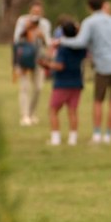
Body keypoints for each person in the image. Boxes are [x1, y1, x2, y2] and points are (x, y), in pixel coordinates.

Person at [54, 0, 111, 144]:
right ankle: (108, 136)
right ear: (103, 4)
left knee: (98, 100)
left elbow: (80, 42)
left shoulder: (90, 22)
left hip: (103, 65)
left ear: (89, 6)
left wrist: (61, 41)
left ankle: (97, 135)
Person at [41, 18, 86, 146]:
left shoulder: (63, 48)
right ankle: (73, 139)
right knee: (72, 111)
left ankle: (55, 138)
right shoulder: (81, 48)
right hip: (77, 82)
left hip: (62, 83)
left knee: (53, 110)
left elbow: (60, 66)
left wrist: (47, 64)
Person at [12, 0, 52, 126]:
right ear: (30, 11)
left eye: (38, 12)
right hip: (24, 57)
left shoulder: (45, 24)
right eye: (34, 12)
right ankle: (24, 116)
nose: (36, 15)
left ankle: (31, 113)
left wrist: (42, 36)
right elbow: (16, 40)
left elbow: (49, 43)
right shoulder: (22, 20)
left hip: (39, 58)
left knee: (38, 88)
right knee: (24, 87)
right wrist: (26, 28)